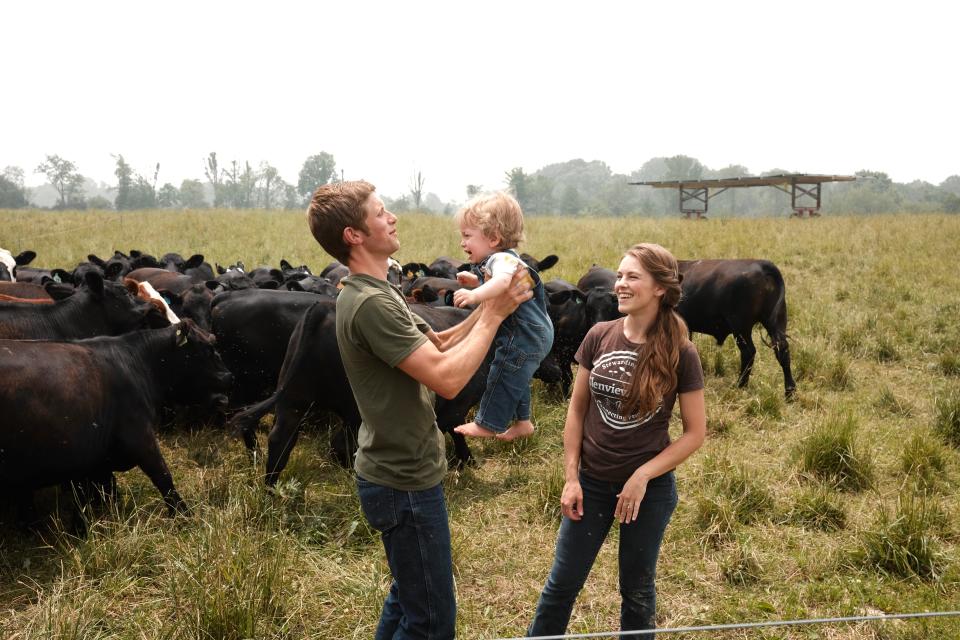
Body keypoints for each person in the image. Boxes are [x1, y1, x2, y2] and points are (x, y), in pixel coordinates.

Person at [305, 180, 531, 640]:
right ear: (355, 234)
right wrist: (494, 315)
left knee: (411, 596)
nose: (393, 218)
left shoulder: (377, 290)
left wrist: (486, 308)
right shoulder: (370, 303)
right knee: (430, 621)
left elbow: (441, 342)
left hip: (402, 472)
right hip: (402, 481)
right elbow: (447, 378)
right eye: (381, 212)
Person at [527, 243, 707, 639]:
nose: (620, 285)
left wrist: (643, 476)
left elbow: (695, 433)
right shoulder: (598, 335)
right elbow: (575, 412)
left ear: (660, 288)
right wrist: (571, 477)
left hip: (648, 492)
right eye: (620, 276)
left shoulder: (682, 352)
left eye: (632, 277)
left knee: (637, 592)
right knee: (560, 588)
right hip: (590, 483)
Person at [451, 192, 554, 441]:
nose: (463, 243)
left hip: (524, 333)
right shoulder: (504, 259)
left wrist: (475, 295)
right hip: (533, 332)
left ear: (494, 238)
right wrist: (477, 281)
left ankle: (488, 423)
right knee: (516, 373)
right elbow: (500, 283)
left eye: (467, 236)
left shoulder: (501, 258)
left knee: (502, 372)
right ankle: (523, 422)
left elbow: (502, 281)